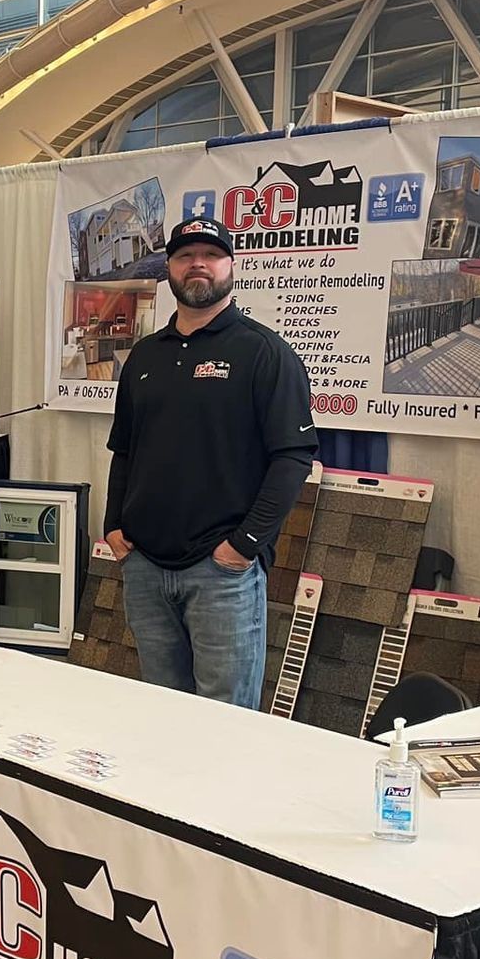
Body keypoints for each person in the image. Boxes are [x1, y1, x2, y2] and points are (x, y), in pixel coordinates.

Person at [103, 214, 316, 708]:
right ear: (170, 269)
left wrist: (242, 546)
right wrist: (115, 526)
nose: (198, 264)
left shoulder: (264, 353)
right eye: (184, 256)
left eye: (212, 255)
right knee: (163, 711)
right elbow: (125, 450)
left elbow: (293, 456)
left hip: (221, 574)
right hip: (145, 568)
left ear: (231, 266)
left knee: (226, 721)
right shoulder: (144, 357)